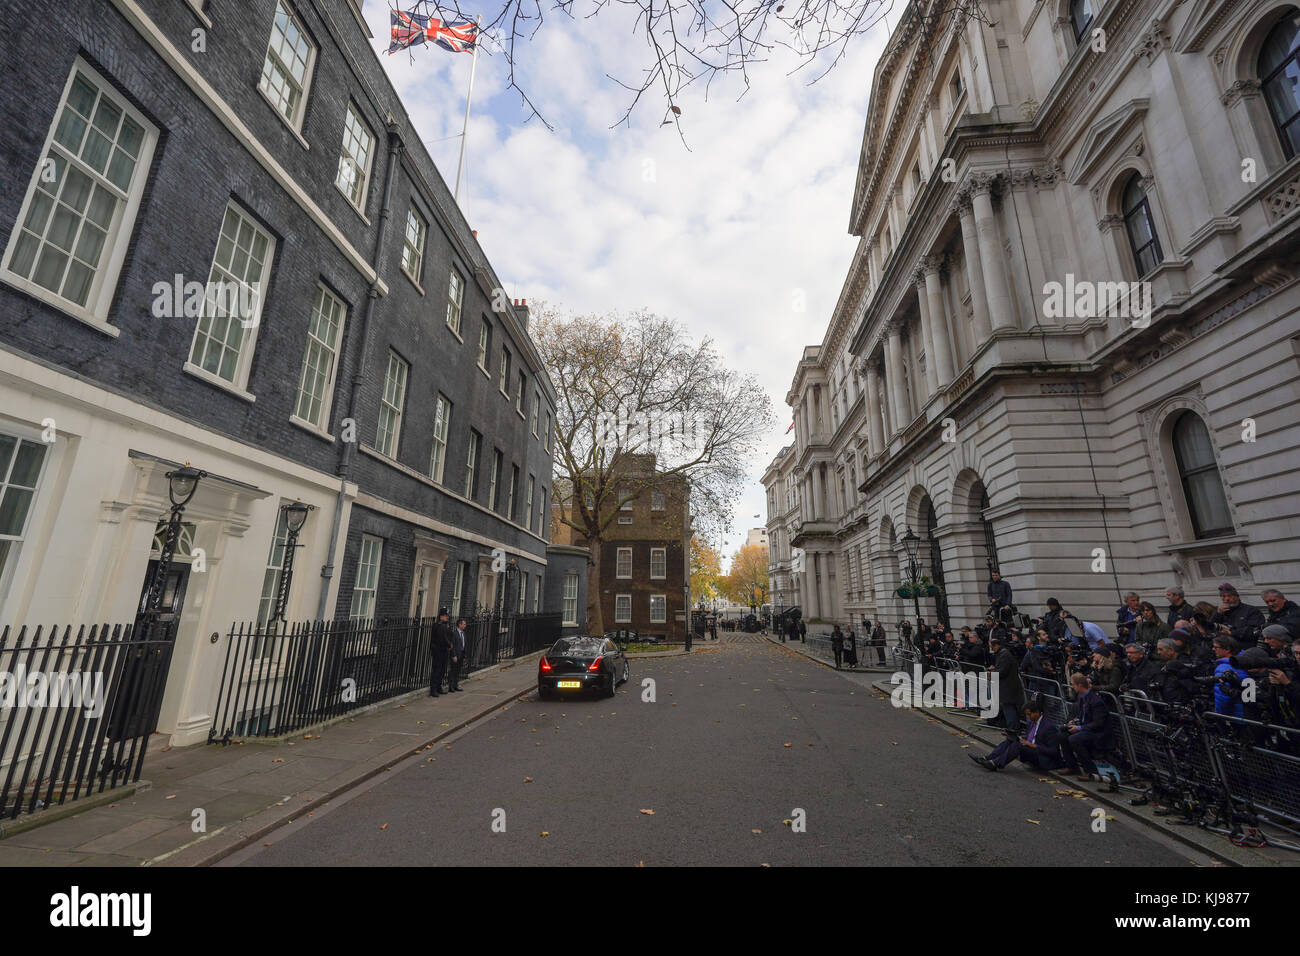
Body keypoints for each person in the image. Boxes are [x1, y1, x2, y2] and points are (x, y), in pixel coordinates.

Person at [970, 697, 1065, 771]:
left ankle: (995, 763)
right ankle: (987, 758)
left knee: (1017, 745)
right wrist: (1017, 737)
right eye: (1027, 715)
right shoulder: (1032, 722)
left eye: (1029, 714)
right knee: (1010, 740)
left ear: (1037, 712)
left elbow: (1053, 751)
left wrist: (1032, 745)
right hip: (1031, 750)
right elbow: (1030, 737)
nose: (1028, 717)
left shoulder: (1049, 727)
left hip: (1042, 757)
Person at [1060, 672, 1113, 782]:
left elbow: (1098, 723)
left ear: (1079, 685)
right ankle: (1071, 766)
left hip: (1097, 732)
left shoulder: (1096, 701)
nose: (1072, 687)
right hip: (1086, 727)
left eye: (1073, 684)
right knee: (1062, 734)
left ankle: (1091, 771)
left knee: (1074, 739)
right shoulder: (1081, 697)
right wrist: (1073, 722)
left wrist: (1079, 728)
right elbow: (1082, 715)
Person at [984, 632, 1024, 732]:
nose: (991, 649)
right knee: (1008, 707)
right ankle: (1012, 726)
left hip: (1008, 687)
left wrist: (991, 673)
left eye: (992, 647)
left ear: (996, 645)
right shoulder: (1002, 654)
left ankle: (1013, 728)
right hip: (1008, 686)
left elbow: (1002, 671)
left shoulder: (1004, 654)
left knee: (1008, 707)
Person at [1210, 635, 1248, 717]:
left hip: (1234, 716)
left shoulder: (1223, 668)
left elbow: (1222, 697)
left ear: (1227, 649)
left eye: (1216, 647)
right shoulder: (1244, 661)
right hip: (1247, 713)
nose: (1213, 649)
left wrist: (1219, 715)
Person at [429, 607, 453, 697]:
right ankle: (433, 689)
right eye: (446, 616)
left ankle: (439, 687)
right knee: (437, 670)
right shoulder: (438, 625)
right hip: (438, 651)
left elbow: (449, 636)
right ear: (441, 616)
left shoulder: (445, 625)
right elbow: (442, 638)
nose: (447, 617)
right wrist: (449, 645)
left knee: (442, 670)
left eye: (447, 616)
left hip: (443, 651)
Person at [447, 618, 467, 692]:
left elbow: (464, 645)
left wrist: (464, 655)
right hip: (455, 656)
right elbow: (453, 646)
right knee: (453, 671)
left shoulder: (463, 633)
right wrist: (453, 655)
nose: (465, 625)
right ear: (459, 624)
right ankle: (451, 686)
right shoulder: (454, 633)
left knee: (458, 671)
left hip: (461, 655)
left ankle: (456, 685)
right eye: (464, 624)